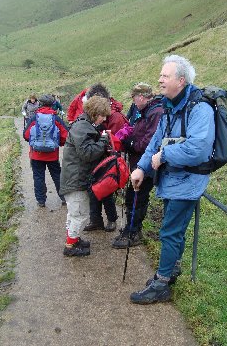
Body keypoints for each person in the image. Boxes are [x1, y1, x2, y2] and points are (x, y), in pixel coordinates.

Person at [129, 55, 215, 304]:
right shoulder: (168, 107)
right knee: (174, 230)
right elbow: (155, 142)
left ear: (181, 80)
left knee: (169, 231)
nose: (159, 80)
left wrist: (164, 155)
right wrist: (142, 168)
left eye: (165, 76)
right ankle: (172, 268)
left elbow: (198, 149)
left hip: (188, 181)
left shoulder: (200, 109)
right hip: (172, 179)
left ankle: (162, 282)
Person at [112, 83, 164, 249]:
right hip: (140, 163)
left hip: (147, 166)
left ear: (141, 97)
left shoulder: (155, 113)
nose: (133, 102)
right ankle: (131, 229)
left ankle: (134, 232)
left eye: (134, 98)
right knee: (133, 196)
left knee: (137, 197)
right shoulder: (147, 111)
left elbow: (149, 142)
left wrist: (131, 143)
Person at [59, 96, 112, 256]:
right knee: (80, 214)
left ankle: (74, 239)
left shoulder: (83, 124)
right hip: (76, 180)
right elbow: (87, 153)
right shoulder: (82, 127)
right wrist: (103, 140)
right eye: (102, 115)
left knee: (75, 212)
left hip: (75, 178)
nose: (104, 118)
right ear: (95, 113)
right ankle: (70, 246)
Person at [81, 83, 128, 233]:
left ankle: (112, 219)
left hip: (107, 159)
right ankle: (95, 220)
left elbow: (117, 141)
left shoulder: (115, 116)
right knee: (92, 190)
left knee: (106, 190)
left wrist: (103, 141)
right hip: (94, 157)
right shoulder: (94, 114)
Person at [23, 94, 68, 208]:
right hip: (52, 154)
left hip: (36, 154)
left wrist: (35, 143)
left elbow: (26, 135)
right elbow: (66, 135)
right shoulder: (55, 118)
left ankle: (41, 201)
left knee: (38, 177)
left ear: (41, 104)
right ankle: (63, 197)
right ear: (52, 104)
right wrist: (58, 144)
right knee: (57, 175)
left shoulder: (34, 118)